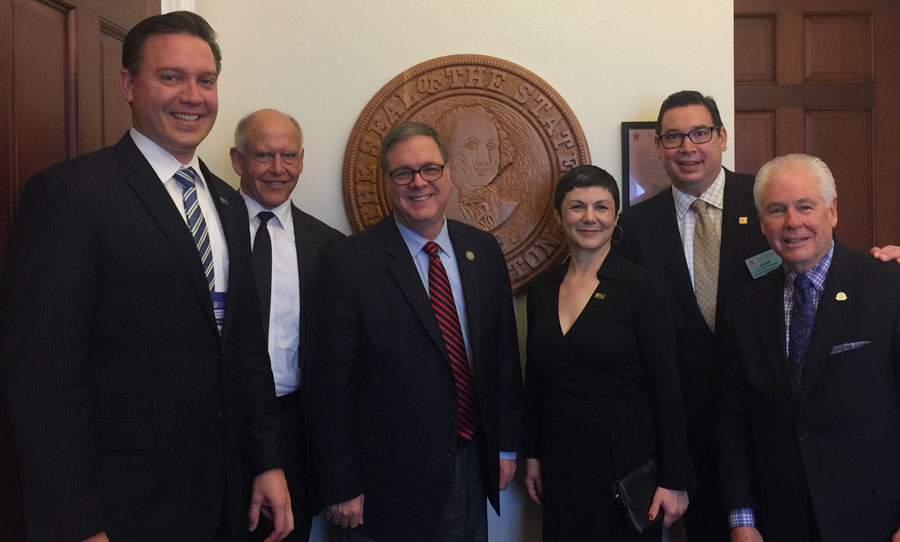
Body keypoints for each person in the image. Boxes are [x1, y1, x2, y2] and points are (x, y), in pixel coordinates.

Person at [0, 12, 291, 542]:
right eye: (171, 77)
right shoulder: (72, 195)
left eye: (206, 80)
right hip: (121, 508)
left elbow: (245, 351)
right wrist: (75, 524)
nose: (193, 95)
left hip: (222, 500)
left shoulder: (229, 203)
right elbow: (42, 377)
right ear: (129, 85)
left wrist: (266, 462)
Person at [617, 90, 900, 539]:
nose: (791, 221)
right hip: (697, 442)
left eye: (700, 133)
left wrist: (886, 262)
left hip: (840, 482)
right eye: (673, 137)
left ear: (722, 137)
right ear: (658, 146)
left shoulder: (764, 194)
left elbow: (837, 274)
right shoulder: (634, 227)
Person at [304, 121, 523, 541]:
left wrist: (506, 447)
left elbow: (503, 359)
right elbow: (329, 388)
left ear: (448, 172)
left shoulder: (483, 251)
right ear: (387, 181)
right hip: (383, 483)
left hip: (470, 466)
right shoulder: (348, 264)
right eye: (403, 172)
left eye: (429, 169)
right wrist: (341, 484)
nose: (418, 182)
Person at [718, 153, 900, 542]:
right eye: (776, 210)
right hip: (778, 521)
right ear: (762, 222)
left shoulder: (888, 287)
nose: (792, 223)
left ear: (832, 212)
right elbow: (734, 420)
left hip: (874, 521)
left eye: (805, 206)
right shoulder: (742, 309)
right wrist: (742, 520)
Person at [523, 165, 691, 541]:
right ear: (557, 215)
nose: (589, 218)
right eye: (577, 206)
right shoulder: (543, 288)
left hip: (625, 466)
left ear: (615, 217)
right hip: (561, 461)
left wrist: (675, 478)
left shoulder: (641, 287)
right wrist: (532, 454)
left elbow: (667, 385)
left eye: (601, 207)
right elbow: (536, 378)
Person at [231, 109, 344, 541]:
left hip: (294, 429)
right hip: (219, 425)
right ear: (238, 161)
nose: (278, 169)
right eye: (263, 156)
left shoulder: (330, 246)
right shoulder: (206, 230)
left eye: (289, 156)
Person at [440, 105, 517, 230]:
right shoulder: (432, 209)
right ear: (447, 151)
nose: (485, 159)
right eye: (471, 146)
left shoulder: (506, 208)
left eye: (491, 147)